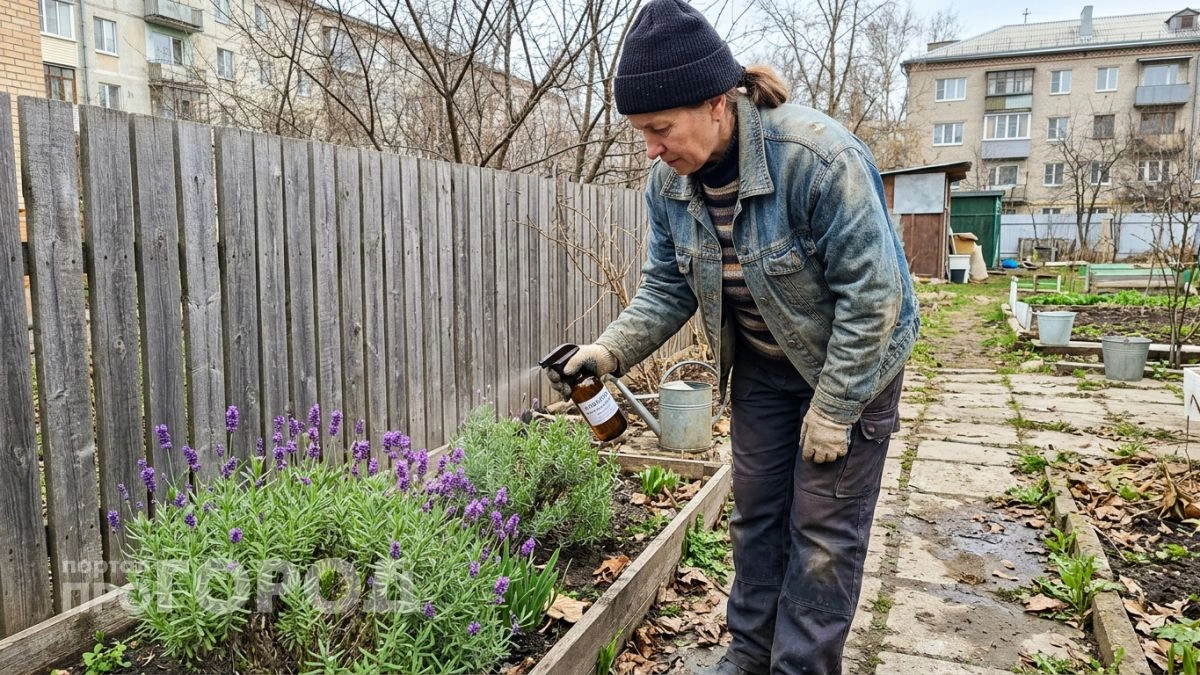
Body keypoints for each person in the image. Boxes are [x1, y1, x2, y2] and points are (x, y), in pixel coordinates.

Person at [543, 0, 919, 672]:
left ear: (718, 104)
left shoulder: (816, 158)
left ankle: (800, 665)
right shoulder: (672, 184)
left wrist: (835, 408)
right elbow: (667, 287)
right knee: (758, 517)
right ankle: (749, 654)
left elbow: (875, 297)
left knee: (823, 533)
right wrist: (607, 351)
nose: (652, 149)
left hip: (851, 369)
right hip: (767, 371)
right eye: (641, 134)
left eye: (660, 128)